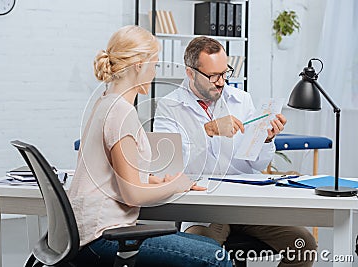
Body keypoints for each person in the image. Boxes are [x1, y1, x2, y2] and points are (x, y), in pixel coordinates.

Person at [68, 26, 232, 267]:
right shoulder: (121, 113)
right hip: (103, 237)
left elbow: (118, 175)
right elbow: (132, 195)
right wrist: (177, 184)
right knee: (217, 258)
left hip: (86, 232)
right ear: (139, 66)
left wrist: (150, 180)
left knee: (211, 247)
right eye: (154, 65)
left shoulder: (105, 103)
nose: (155, 72)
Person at [154, 36, 317, 266]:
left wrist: (266, 139)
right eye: (213, 76)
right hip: (205, 209)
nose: (221, 82)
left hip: (245, 204)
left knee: (304, 245)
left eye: (224, 73)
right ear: (190, 73)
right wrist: (208, 130)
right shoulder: (169, 107)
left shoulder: (241, 100)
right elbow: (168, 164)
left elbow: (255, 164)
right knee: (197, 255)